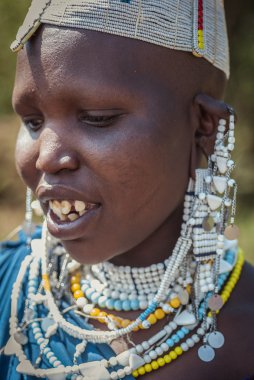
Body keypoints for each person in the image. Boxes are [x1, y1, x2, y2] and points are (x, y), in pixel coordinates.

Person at [0, 0, 254, 379]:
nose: (47, 158)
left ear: (204, 127)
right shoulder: (12, 285)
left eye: (97, 119)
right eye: (34, 122)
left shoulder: (244, 335)